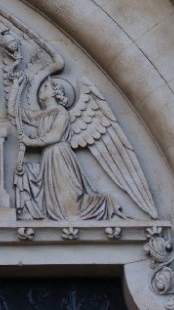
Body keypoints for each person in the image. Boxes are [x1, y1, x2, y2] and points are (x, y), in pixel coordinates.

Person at [15, 78, 123, 220]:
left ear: (55, 92)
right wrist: (16, 87)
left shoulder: (61, 112)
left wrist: (30, 141)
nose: (40, 89)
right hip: (49, 158)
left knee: (69, 205)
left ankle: (103, 203)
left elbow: (55, 136)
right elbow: (14, 112)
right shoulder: (40, 115)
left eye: (45, 86)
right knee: (30, 176)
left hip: (60, 157)